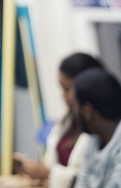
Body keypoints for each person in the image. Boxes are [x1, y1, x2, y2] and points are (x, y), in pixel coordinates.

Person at [15, 53, 102, 188]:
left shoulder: (99, 126)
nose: (63, 96)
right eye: (61, 89)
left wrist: (48, 173)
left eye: (67, 89)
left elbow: (90, 178)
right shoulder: (67, 122)